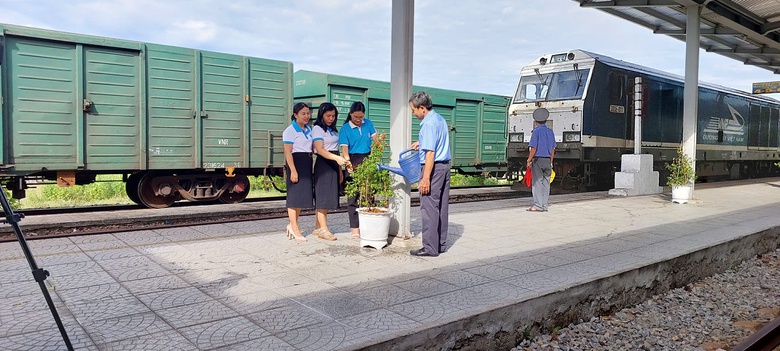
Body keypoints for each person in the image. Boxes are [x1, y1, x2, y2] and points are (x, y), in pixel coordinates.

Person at [408, 91, 451, 257]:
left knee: (429, 208)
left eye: (413, 110)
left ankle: (429, 248)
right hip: (444, 167)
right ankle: (439, 244)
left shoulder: (428, 123)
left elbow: (430, 153)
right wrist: (422, 142)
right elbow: (436, 141)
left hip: (433, 169)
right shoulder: (439, 119)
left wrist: (425, 178)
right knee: (441, 207)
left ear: (422, 108)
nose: (414, 114)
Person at [339, 101, 378, 239]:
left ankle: (368, 225)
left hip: (367, 160)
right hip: (353, 160)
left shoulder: (368, 123)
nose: (358, 120)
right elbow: (344, 149)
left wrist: (379, 144)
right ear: (350, 114)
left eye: (361, 117)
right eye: (356, 117)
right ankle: (355, 228)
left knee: (368, 194)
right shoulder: (345, 128)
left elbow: (376, 140)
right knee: (353, 196)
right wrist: (348, 165)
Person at [311, 103, 348, 241]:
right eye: (328, 116)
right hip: (324, 163)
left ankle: (317, 227)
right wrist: (336, 159)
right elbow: (320, 150)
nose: (331, 118)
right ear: (321, 115)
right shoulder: (317, 129)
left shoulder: (332, 130)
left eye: (333, 116)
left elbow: (336, 150)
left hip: (334, 162)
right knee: (323, 197)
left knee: (326, 195)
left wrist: (339, 170)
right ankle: (324, 229)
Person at [282, 102, 313, 242]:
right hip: (295, 162)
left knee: (301, 197)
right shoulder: (290, 130)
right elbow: (287, 152)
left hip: (306, 162)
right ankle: (295, 228)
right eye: (303, 113)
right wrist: (293, 170)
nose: (307, 116)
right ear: (295, 115)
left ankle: (291, 225)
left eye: (308, 113)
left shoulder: (309, 129)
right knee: (294, 197)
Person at [526, 108, 556, 212]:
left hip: (538, 160)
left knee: (537, 183)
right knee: (546, 183)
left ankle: (538, 206)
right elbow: (553, 149)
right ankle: (544, 206)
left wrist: (529, 160)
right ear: (545, 120)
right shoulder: (550, 132)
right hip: (548, 160)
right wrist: (551, 161)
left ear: (536, 121)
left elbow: (534, 148)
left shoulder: (536, 132)